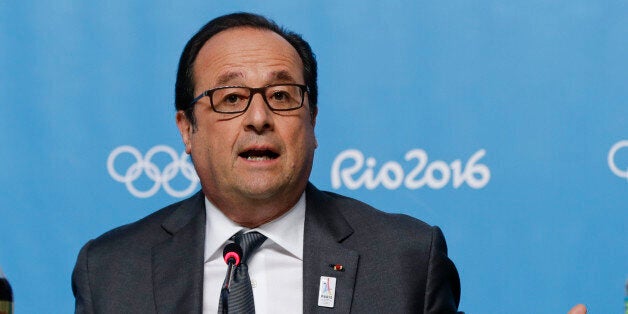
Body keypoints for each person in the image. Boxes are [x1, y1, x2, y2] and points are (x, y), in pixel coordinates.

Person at [72, 12, 461, 313]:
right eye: (231, 98)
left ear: (312, 121)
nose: (259, 118)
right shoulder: (112, 271)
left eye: (280, 95)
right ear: (187, 129)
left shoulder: (405, 260)